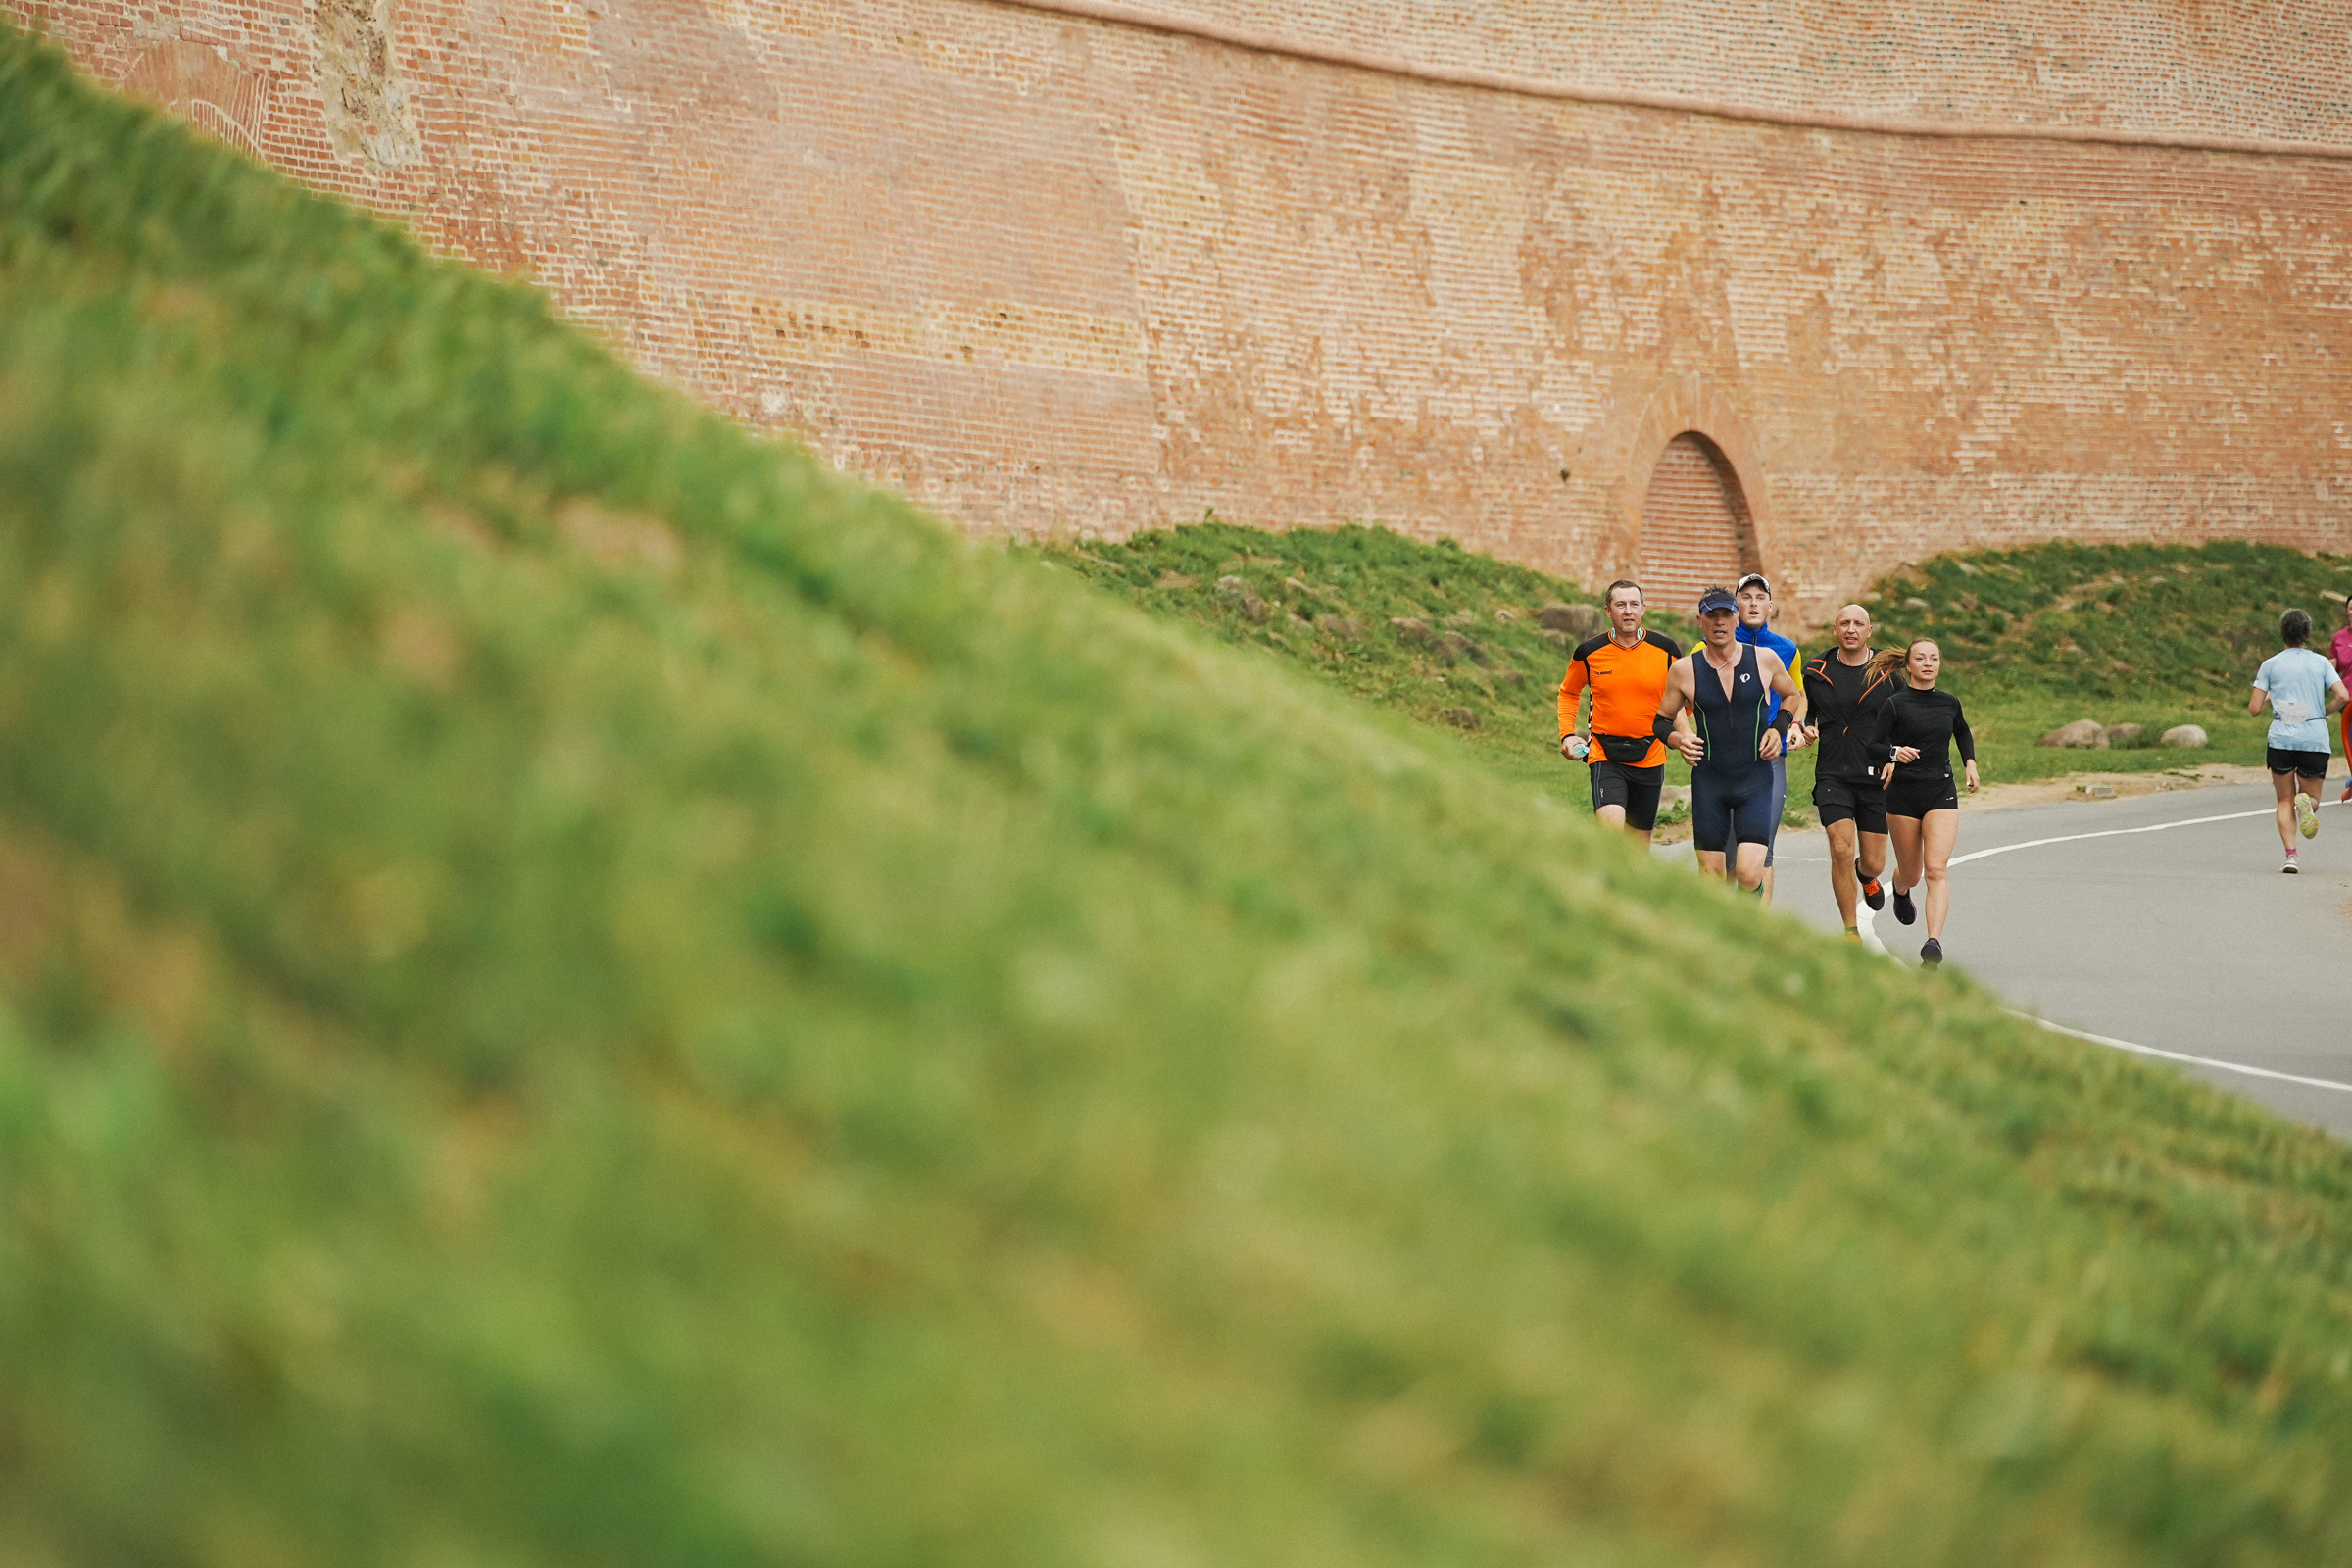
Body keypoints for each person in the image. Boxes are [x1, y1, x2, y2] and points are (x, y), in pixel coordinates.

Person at [1654, 585, 1807, 894]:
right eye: (1712, 616)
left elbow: (1792, 695)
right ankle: (1720, 938)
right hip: (1710, 780)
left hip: (1755, 777)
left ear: (1736, 619)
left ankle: (1746, 923)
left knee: (1750, 875)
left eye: (1726, 615)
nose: (1719, 622)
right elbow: (1660, 720)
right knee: (1711, 877)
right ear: (1701, 620)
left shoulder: (1764, 659)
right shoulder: (1684, 670)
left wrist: (1778, 729)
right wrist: (1677, 740)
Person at [1865, 639, 1978, 966]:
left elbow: (1963, 731)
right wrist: (1894, 753)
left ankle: (1933, 943)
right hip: (1902, 795)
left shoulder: (1949, 702)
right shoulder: (1896, 704)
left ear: (1939, 664)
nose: (1928, 663)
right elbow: (1873, 745)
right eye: (1921, 658)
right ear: (1910, 665)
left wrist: (1969, 761)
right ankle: (1900, 890)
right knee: (1912, 873)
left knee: (1935, 869)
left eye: (1934, 658)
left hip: (1940, 790)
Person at [1558, 580, 1683, 848]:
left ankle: (1627, 890)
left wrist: (1686, 739)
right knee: (1611, 837)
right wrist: (1568, 735)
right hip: (1605, 754)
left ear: (1644, 609)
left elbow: (1681, 701)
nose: (1628, 611)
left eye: (1634, 604)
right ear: (1608, 611)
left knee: (1638, 849)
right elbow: (1569, 693)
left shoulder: (1666, 650)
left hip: (1650, 755)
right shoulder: (1589, 652)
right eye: (1620, 604)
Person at [1801, 605, 1897, 941]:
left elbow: (1905, 717)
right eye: (1845, 623)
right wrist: (1805, 727)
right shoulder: (1816, 670)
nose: (1851, 629)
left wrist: (1895, 758)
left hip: (1874, 778)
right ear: (1835, 629)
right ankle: (1850, 930)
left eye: (1859, 624)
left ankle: (1865, 875)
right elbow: (1805, 710)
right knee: (1840, 848)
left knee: (1875, 863)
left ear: (1870, 631)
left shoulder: (1887, 672)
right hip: (1833, 774)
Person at [2250, 607, 2349, 872]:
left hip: (2281, 738)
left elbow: (2255, 709)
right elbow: (2343, 695)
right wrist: (2323, 712)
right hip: (2313, 737)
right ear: (2307, 633)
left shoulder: (2270, 664)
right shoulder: (2320, 663)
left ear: (2283, 632)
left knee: (2284, 801)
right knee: (2310, 798)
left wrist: (2271, 692)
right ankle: (2309, 805)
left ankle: (2291, 855)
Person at [1733, 572, 1803, 906]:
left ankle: (1758, 931)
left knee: (1763, 850)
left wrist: (1796, 727)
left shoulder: (1788, 649)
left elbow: (1796, 694)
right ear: (1736, 604)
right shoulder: (1713, 643)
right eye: (1746, 597)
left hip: (1770, 758)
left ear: (1770, 606)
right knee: (1729, 855)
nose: (1753, 603)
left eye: (1760, 597)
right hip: (1727, 760)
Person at [2329, 599, 2352, 802]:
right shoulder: (2339, 638)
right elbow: (2332, 672)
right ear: (2347, 612)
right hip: (2347, 698)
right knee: (2351, 739)